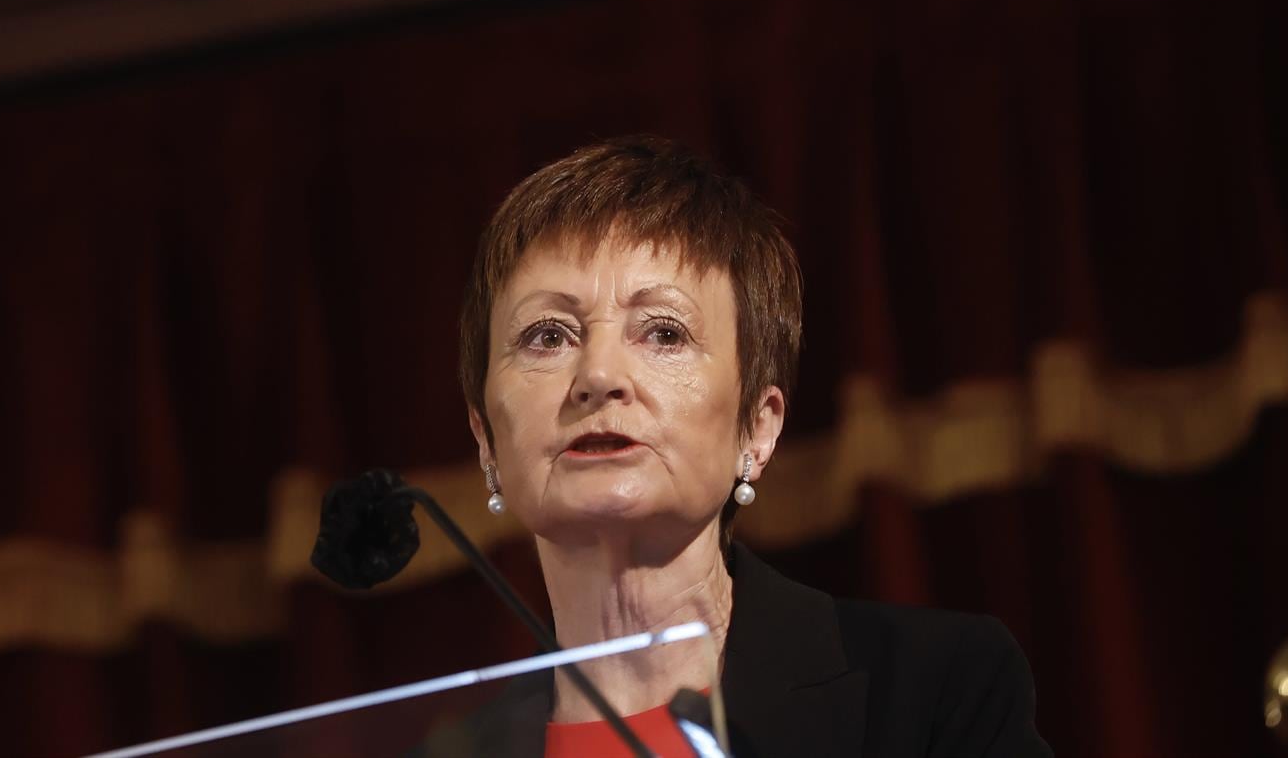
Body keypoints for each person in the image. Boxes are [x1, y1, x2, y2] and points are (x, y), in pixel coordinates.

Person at [439, 135, 1050, 758]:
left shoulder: (934, 692)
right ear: (485, 436)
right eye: (547, 336)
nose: (599, 376)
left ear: (757, 429)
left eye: (663, 332)